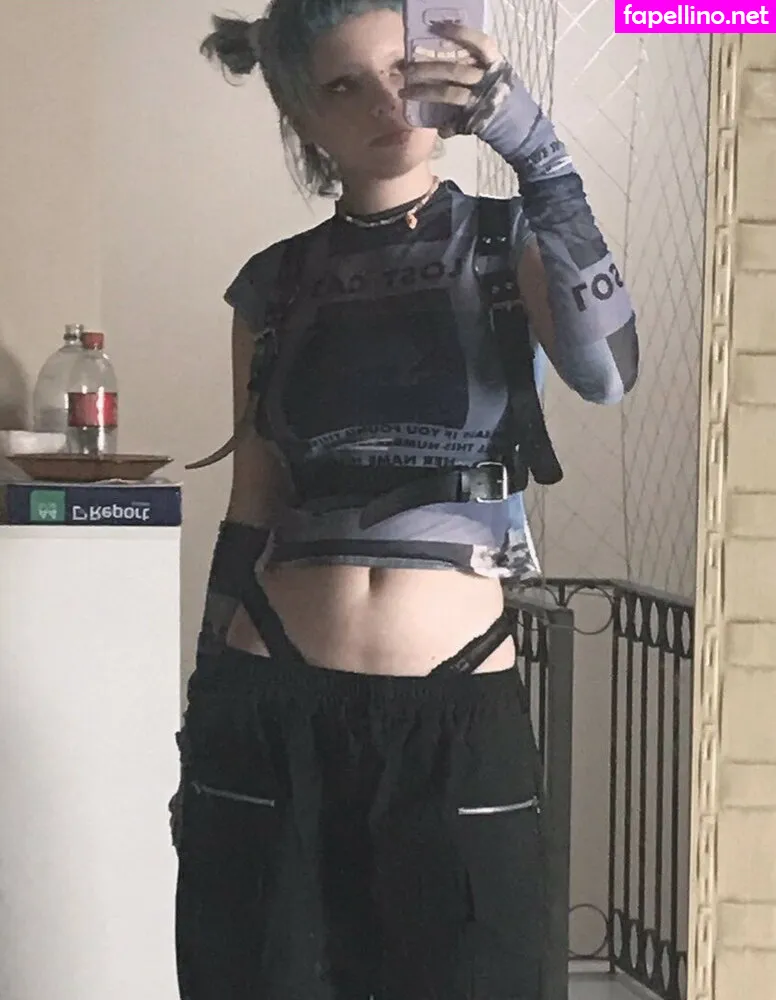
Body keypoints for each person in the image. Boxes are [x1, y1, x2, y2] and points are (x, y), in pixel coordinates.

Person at [173, 0, 638, 997]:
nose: (385, 104)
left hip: (453, 710)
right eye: (345, 86)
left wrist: (537, 152)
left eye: (400, 71)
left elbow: (608, 372)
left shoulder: (506, 241)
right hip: (269, 700)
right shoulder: (273, 284)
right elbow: (252, 500)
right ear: (303, 117)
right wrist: (203, 696)